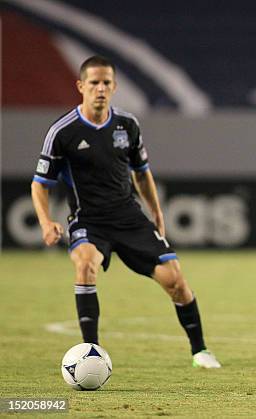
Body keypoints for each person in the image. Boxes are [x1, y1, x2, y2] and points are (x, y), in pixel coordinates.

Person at [31, 55, 221, 369]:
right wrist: (45, 221)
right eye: (94, 82)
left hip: (129, 218)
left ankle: (199, 350)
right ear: (81, 86)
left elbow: (142, 172)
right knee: (85, 263)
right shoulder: (62, 131)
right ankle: (90, 352)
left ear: (115, 86)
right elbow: (40, 183)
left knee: (175, 280)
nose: (101, 88)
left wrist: (156, 213)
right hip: (89, 220)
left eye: (107, 82)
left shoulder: (127, 125)